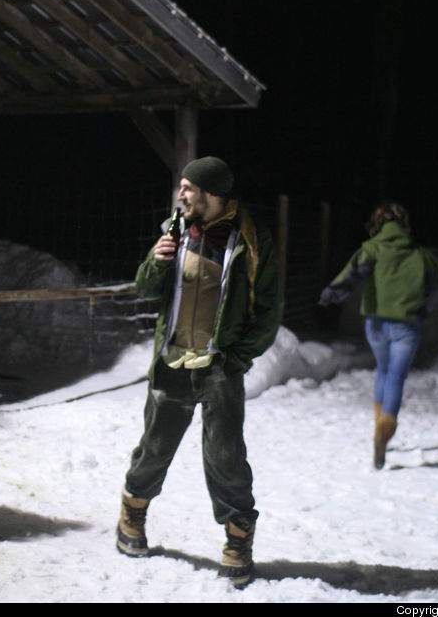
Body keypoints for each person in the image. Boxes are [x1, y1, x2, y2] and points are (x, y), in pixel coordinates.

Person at [115, 157, 282, 587]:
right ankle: (131, 516)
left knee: (225, 456)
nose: (181, 195)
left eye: (189, 188)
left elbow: (268, 309)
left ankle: (238, 538)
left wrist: (237, 357)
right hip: (173, 362)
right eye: (181, 187)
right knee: (154, 447)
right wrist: (156, 260)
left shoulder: (250, 238)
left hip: (219, 366)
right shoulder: (176, 230)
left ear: (213, 194)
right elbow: (145, 288)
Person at [319, 202, 438, 470]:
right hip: (407, 325)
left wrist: (331, 293)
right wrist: (424, 308)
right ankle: (385, 424)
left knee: (383, 370)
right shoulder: (420, 254)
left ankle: (379, 427)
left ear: (377, 224)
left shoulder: (372, 248)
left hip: (376, 324)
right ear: (404, 225)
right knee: (396, 377)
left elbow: (352, 275)